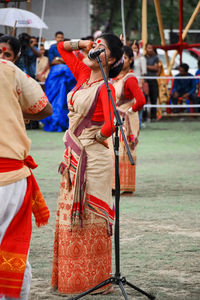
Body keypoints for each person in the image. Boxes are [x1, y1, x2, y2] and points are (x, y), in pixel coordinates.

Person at [51, 33, 124, 295]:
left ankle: (93, 282)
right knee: (71, 213)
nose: (95, 49)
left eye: (101, 48)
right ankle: (73, 280)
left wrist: (99, 137)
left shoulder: (107, 86)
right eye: (95, 44)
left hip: (93, 157)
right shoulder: (83, 73)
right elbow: (59, 47)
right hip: (72, 157)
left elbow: (111, 124)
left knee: (89, 215)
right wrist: (83, 45)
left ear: (112, 59)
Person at [0, 57, 52, 300]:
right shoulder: (8, 69)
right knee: (14, 249)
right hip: (10, 177)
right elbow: (44, 108)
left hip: (10, 173)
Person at [111, 45, 146, 193]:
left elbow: (141, 101)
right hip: (114, 119)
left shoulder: (129, 79)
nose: (121, 60)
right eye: (119, 58)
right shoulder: (115, 77)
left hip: (125, 121)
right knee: (113, 152)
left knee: (123, 151)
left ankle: (124, 186)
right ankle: (114, 185)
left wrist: (128, 112)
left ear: (131, 60)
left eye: (124, 58)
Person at [42, 32, 76, 132]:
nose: (60, 39)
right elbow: (51, 61)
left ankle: (65, 122)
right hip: (55, 76)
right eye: (58, 37)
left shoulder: (67, 47)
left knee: (66, 99)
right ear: (55, 38)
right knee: (53, 97)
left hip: (66, 75)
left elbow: (70, 60)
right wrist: (61, 60)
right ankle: (53, 121)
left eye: (62, 37)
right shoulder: (52, 48)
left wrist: (59, 60)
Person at [132, 40, 147, 125]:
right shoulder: (127, 58)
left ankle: (139, 122)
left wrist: (141, 84)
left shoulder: (142, 59)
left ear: (138, 49)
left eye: (135, 48)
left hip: (138, 83)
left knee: (139, 102)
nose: (134, 49)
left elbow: (143, 72)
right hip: (129, 82)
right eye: (132, 48)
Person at [145, 43, 159, 121]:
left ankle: (154, 117)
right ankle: (144, 117)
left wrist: (145, 66)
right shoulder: (143, 57)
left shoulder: (155, 58)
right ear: (145, 49)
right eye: (148, 48)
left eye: (151, 48)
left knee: (154, 98)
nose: (150, 49)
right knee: (144, 99)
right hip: (145, 81)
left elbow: (156, 68)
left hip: (153, 80)